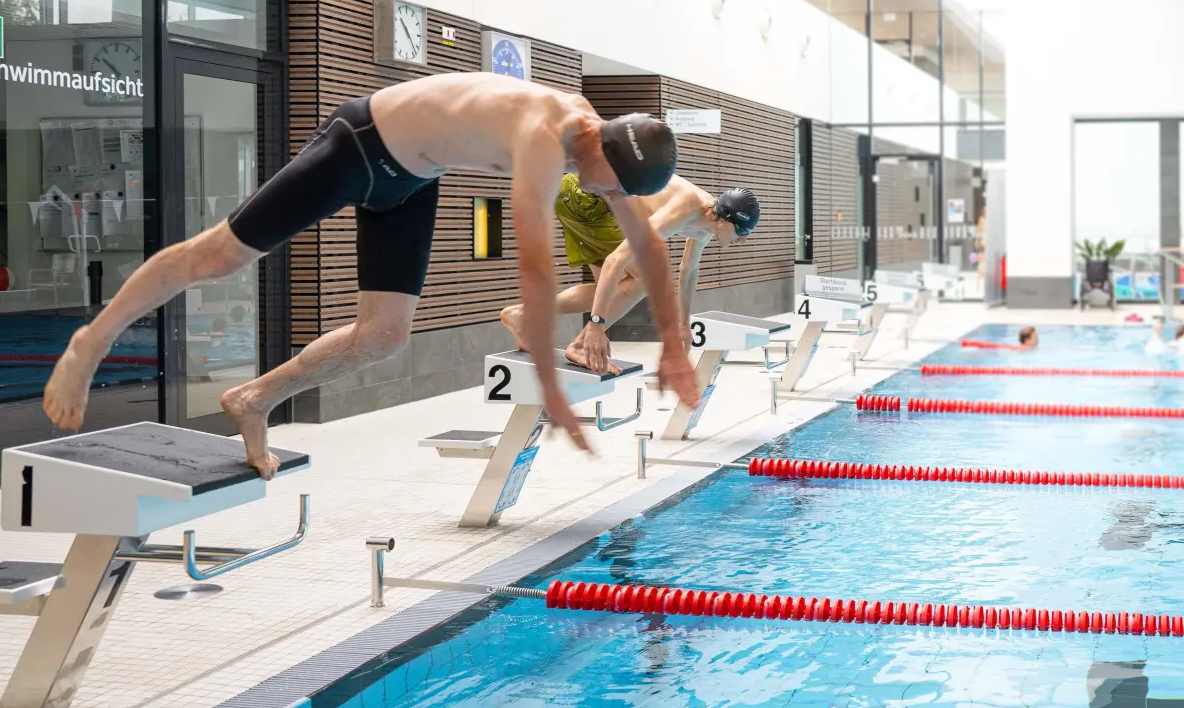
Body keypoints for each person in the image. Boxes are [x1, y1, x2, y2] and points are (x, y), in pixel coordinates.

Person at [42, 73, 702, 476]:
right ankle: (91, 340)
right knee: (222, 255)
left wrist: (673, 344)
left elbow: (642, 240)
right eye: (617, 187)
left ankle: (254, 399)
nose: (611, 197)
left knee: (384, 335)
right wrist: (554, 393)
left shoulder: (594, 144)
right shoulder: (543, 135)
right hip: (359, 146)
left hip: (411, 179)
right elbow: (533, 267)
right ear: (604, 150)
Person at [499, 174, 760, 373]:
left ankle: (523, 315)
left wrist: (683, 322)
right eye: (743, 233)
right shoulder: (684, 208)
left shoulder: (707, 224)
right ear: (727, 222)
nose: (743, 241)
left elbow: (688, 270)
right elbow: (617, 259)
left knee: (613, 290)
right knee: (645, 280)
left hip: (589, 197)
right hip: (585, 196)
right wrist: (596, 326)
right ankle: (580, 345)